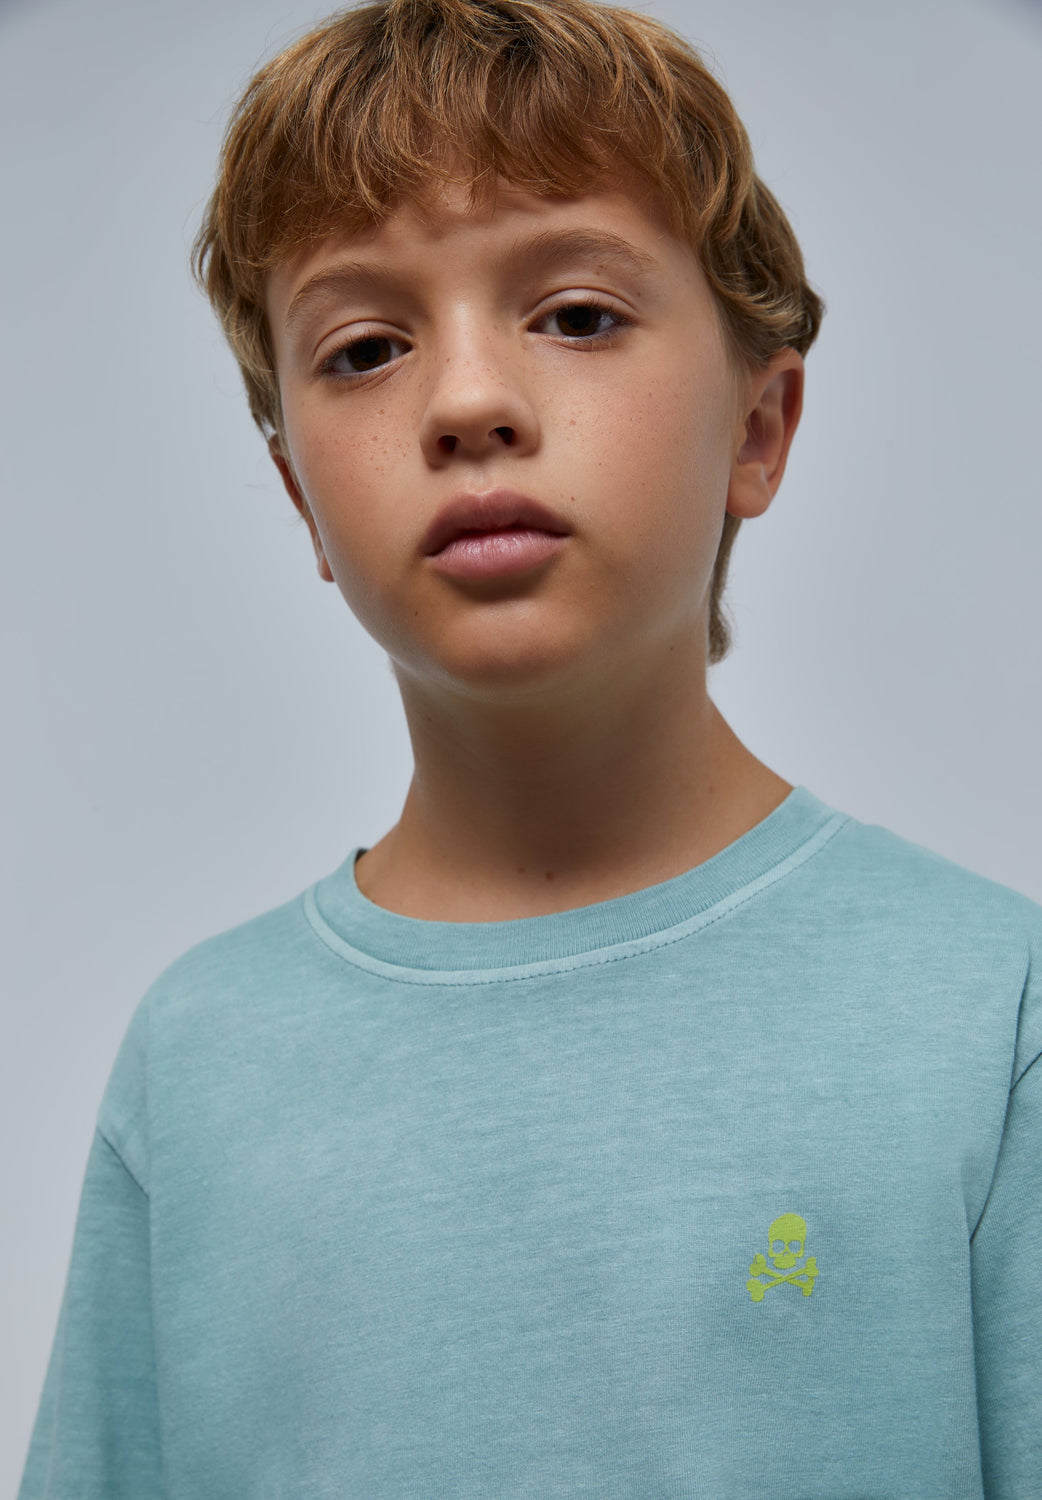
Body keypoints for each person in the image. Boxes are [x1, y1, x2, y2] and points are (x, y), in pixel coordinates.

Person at [17, 0, 1041, 1494]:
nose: (470, 403)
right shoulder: (195, 1068)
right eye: (366, 348)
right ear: (301, 501)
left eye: (575, 316)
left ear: (759, 428)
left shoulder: (990, 1013)